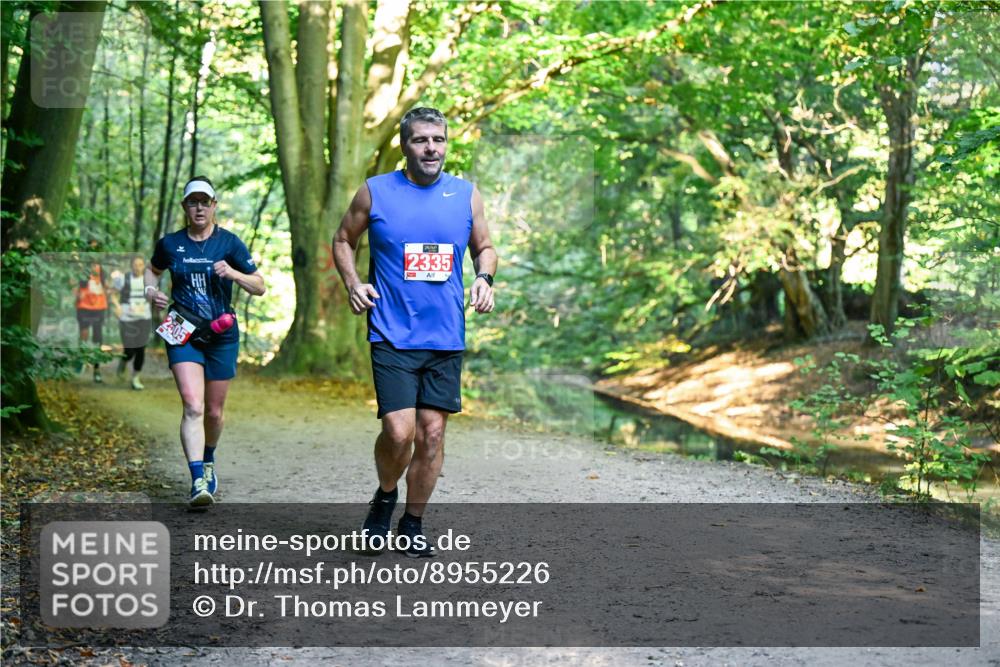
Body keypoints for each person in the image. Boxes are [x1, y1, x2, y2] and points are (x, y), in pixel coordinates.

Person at [333, 107, 497, 557]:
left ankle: (412, 522)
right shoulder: (376, 191)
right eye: (421, 140)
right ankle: (385, 497)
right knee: (400, 432)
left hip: (445, 336)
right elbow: (343, 239)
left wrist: (484, 279)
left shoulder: (465, 195)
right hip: (391, 332)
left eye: (439, 140)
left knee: (432, 435)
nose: (431, 148)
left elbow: (484, 248)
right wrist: (353, 283)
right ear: (404, 145)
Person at [145, 176, 265, 508]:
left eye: (205, 201)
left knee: (213, 411)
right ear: (185, 206)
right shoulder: (169, 243)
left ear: (214, 206)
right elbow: (151, 271)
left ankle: (208, 458)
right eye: (192, 202)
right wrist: (150, 292)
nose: (199, 207)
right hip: (180, 329)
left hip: (221, 333)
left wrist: (235, 274)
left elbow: (260, 286)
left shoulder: (229, 243)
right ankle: (197, 477)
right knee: (193, 405)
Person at [111, 255, 152, 390]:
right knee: (129, 350)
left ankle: (135, 377)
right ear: (131, 266)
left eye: (140, 265)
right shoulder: (123, 279)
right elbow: (112, 293)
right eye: (135, 265)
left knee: (141, 349)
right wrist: (117, 307)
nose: (138, 268)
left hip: (144, 318)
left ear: (143, 266)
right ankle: (124, 361)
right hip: (127, 318)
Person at [74, 259, 109, 383]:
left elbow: (107, 289)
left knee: (98, 338)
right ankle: (80, 361)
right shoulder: (82, 272)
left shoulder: (103, 272)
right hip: (84, 308)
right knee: (83, 335)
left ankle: (97, 369)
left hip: (98, 309)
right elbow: (74, 286)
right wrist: (77, 295)